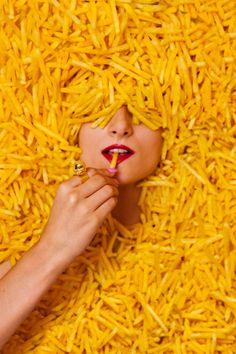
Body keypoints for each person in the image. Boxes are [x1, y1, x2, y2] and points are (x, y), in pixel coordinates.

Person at [0, 105, 163, 349]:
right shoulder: (12, 228)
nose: (120, 127)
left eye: (144, 105)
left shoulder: (214, 247)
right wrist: (53, 248)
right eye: (98, 107)